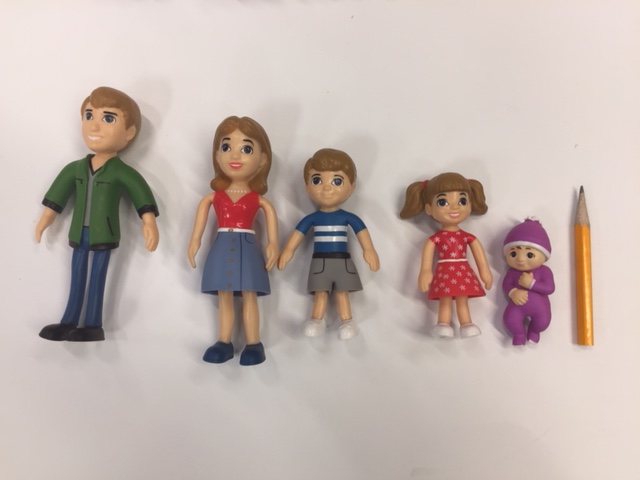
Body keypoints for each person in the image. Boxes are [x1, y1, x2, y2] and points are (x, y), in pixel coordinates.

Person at [36, 86, 159, 342]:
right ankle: (69, 320)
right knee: (77, 275)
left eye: (108, 118)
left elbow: (140, 193)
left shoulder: (120, 172)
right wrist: (44, 220)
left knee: (97, 277)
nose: (94, 126)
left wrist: (148, 221)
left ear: (129, 133)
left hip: (104, 232)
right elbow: (57, 197)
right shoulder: (75, 169)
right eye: (89, 115)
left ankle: (93, 324)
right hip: (78, 232)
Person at [187, 116, 278, 366]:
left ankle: (254, 343)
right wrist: (194, 242)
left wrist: (272, 244)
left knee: (249, 295)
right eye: (226, 147)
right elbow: (199, 227)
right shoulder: (213, 197)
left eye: (246, 149)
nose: (234, 155)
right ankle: (223, 341)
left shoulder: (258, 199)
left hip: (248, 248)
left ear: (262, 160)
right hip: (221, 246)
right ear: (217, 155)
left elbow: (271, 220)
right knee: (224, 295)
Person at [278, 148, 379, 340]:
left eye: (337, 181)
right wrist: (287, 251)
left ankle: (347, 321)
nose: (326, 188)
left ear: (352, 187)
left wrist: (369, 250)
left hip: (342, 261)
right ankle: (316, 320)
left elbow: (362, 233)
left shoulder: (348, 217)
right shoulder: (312, 218)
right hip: (319, 262)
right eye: (317, 180)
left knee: (342, 293)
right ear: (307, 186)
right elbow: (297, 235)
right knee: (320, 293)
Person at [399, 172, 491, 338]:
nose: (454, 207)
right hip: (445, 271)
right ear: (429, 209)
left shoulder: (467, 237)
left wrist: (485, 272)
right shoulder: (435, 239)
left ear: (470, 204)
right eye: (443, 202)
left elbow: (480, 257)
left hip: (462, 271)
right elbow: (426, 259)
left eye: (462, 201)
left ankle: (466, 323)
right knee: (445, 299)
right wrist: (425, 272)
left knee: (462, 299)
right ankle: (443, 323)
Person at [502, 218, 555, 345]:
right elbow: (506, 284)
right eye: (513, 254)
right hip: (517, 305)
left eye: (529, 255)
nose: (520, 259)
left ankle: (534, 331)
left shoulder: (544, 271)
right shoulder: (512, 272)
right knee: (510, 320)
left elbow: (549, 288)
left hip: (540, 308)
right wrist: (513, 292)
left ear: (544, 255)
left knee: (543, 322)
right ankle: (519, 334)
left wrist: (531, 284)